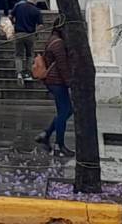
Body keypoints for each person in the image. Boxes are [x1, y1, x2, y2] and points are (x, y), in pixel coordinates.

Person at [35, 24, 75, 157]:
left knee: (66, 111)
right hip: (57, 81)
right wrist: (70, 82)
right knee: (64, 111)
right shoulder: (58, 44)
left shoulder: (52, 39)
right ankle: (59, 145)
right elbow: (62, 65)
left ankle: (46, 134)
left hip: (54, 81)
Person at [11, 0, 42, 86]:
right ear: (35, 0)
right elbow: (40, 25)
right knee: (29, 55)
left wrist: (13, 24)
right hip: (30, 34)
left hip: (19, 33)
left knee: (18, 55)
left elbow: (10, 16)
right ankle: (28, 73)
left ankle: (19, 73)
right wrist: (36, 32)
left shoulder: (18, 7)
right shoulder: (36, 11)